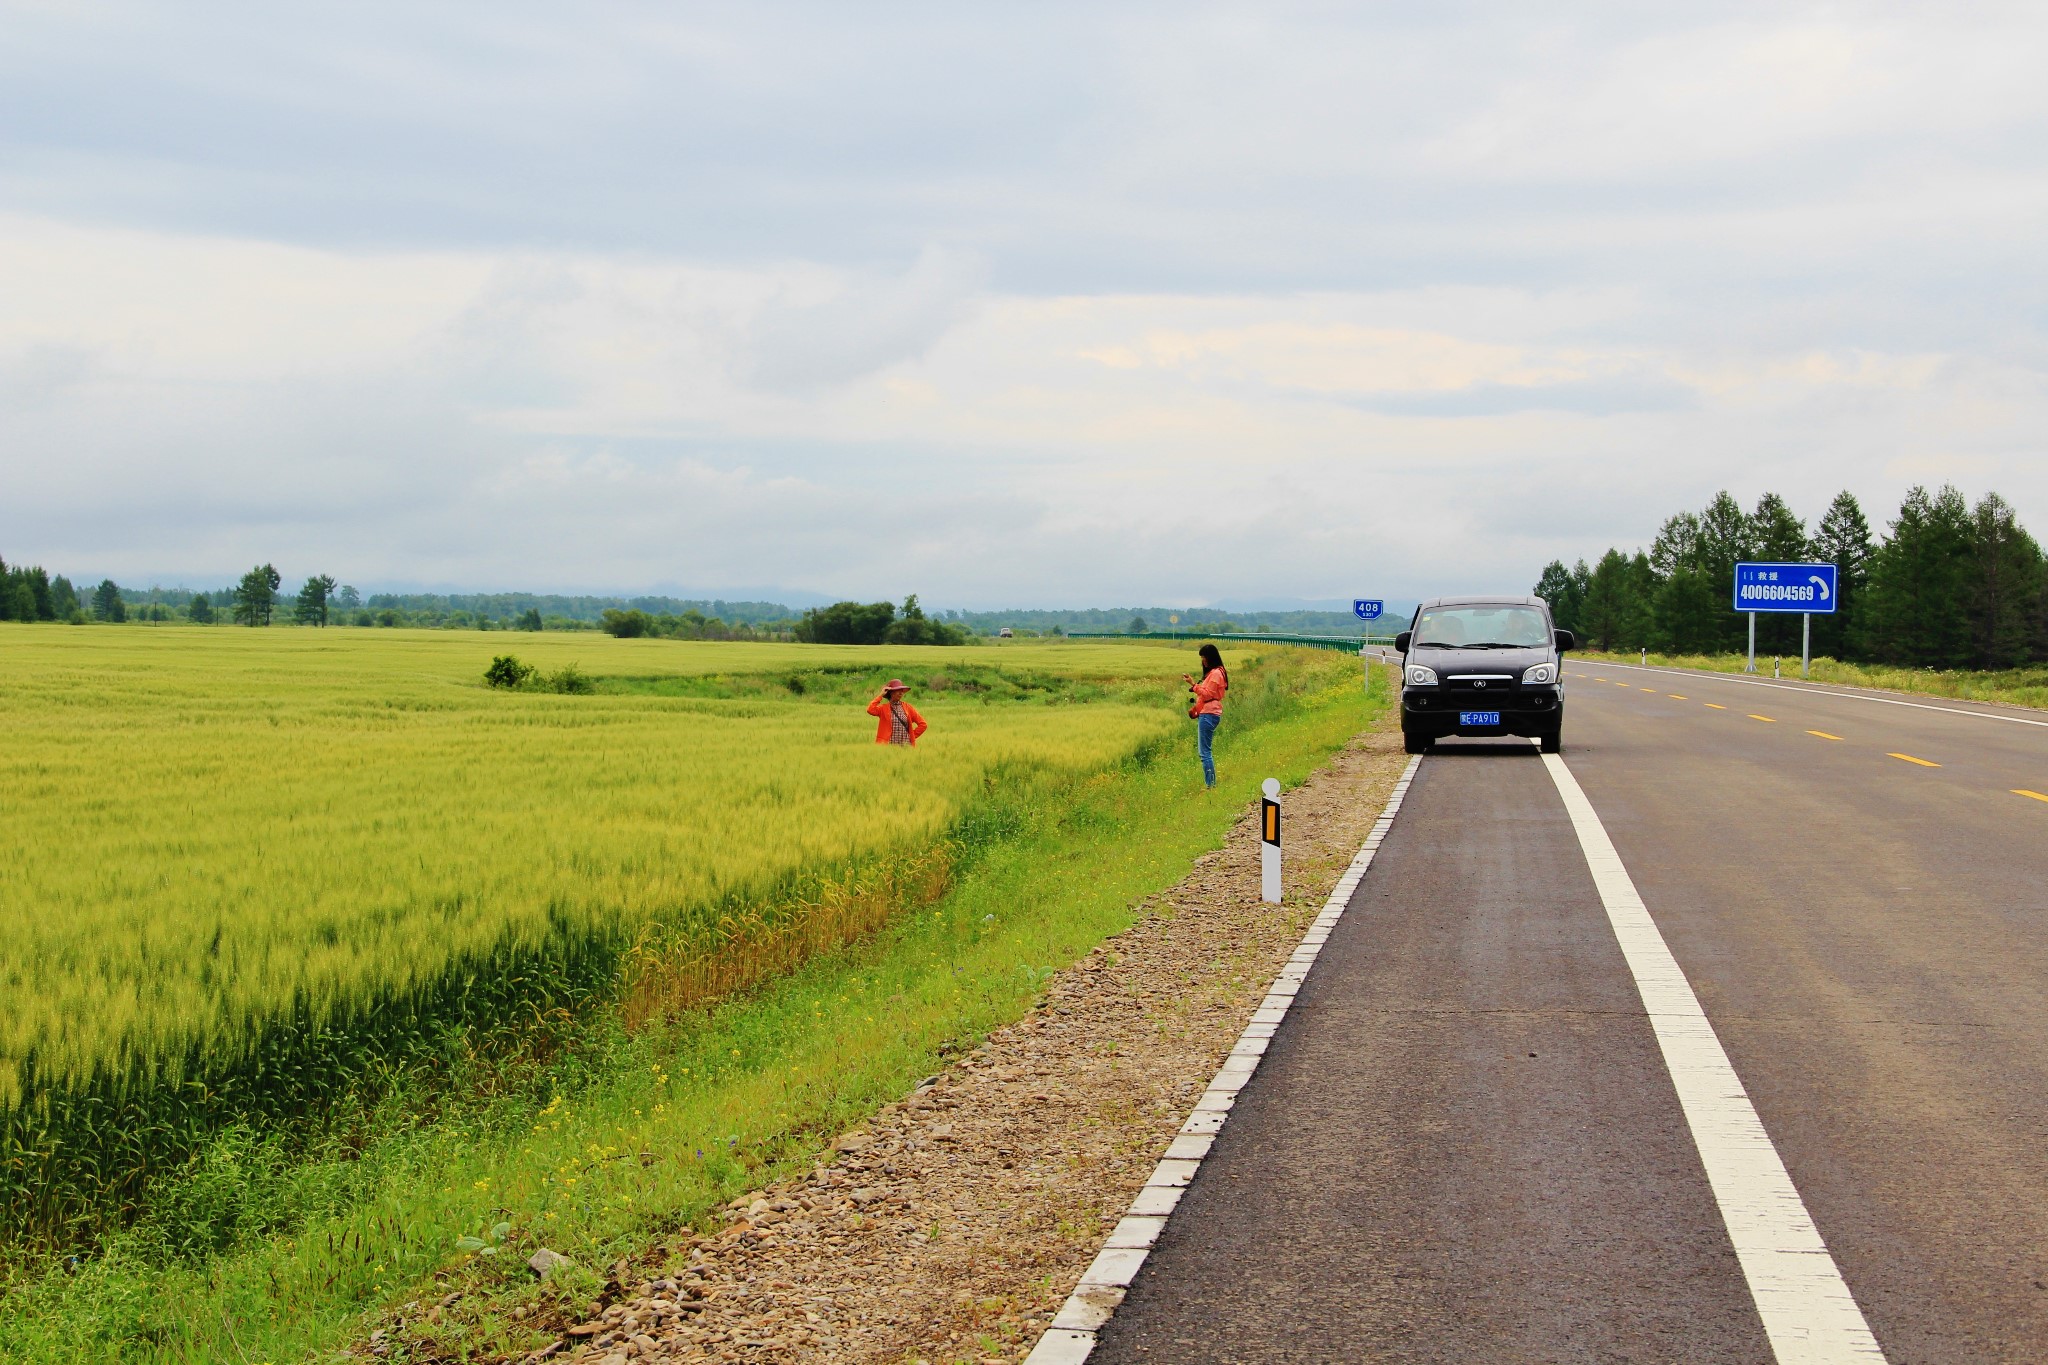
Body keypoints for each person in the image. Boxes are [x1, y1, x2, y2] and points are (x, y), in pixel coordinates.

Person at [1183, 644, 1227, 788]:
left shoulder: (1215, 674)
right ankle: (1211, 784)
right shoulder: (1217, 672)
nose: (1203, 661)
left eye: (1204, 657)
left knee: (1204, 753)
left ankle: (1211, 785)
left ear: (1210, 657)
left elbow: (1207, 694)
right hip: (1210, 713)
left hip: (1208, 714)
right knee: (1205, 751)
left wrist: (1193, 684)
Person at [867, 679, 928, 746]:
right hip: (888, 747)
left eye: (902, 691)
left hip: (905, 747)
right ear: (891, 692)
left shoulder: (908, 707)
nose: (901, 693)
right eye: (898, 690)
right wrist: (880, 695)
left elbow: (923, 724)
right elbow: (870, 709)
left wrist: (911, 736)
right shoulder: (883, 708)